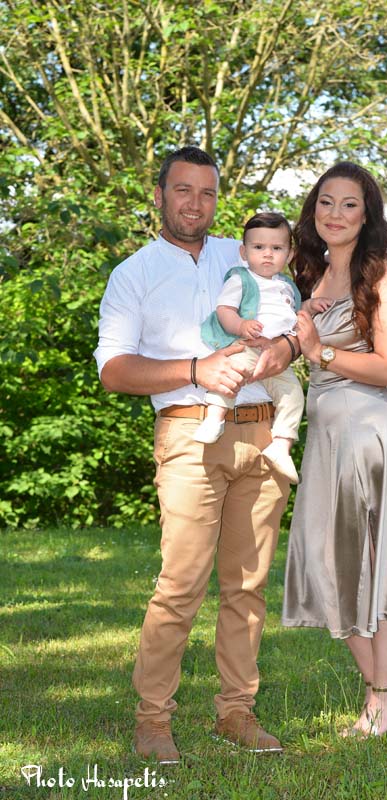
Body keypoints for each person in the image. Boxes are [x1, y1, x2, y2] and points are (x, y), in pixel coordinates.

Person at [94, 146, 300, 762]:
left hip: (262, 433)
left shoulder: (247, 255)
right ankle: (153, 720)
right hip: (189, 434)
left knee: (248, 586)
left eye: (207, 192)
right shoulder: (133, 273)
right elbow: (113, 370)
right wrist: (195, 369)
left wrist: (287, 350)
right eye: (182, 190)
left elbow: (297, 319)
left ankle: (236, 712)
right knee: (181, 584)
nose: (195, 203)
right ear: (160, 195)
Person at [282, 161, 387, 737]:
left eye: (349, 204)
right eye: (326, 202)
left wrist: (321, 354)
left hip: (374, 430)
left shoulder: (381, 274)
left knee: (379, 563)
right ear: (313, 210)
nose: (335, 213)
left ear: (366, 215)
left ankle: (383, 697)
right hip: (328, 434)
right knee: (323, 560)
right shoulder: (307, 272)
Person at [196, 211, 332, 484]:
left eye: (277, 248)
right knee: (231, 375)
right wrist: (241, 325)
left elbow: (291, 314)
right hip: (247, 346)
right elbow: (224, 309)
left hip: (275, 356)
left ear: (289, 254)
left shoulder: (287, 286)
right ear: (244, 252)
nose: (268, 254)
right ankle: (214, 417)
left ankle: (281, 445)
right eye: (259, 247)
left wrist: (309, 306)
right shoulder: (241, 279)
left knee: (293, 395)